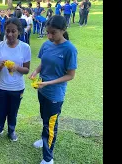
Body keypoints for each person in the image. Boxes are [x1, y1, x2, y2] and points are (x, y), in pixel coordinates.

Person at [29, 15, 78, 164]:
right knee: (45, 118)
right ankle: (44, 140)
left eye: (53, 33)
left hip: (55, 94)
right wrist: (36, 72)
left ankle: (48, 159)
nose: (49, 36)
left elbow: (70, 75)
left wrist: (49, 83)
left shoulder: (70, 49)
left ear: (63, 30)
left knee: (51, 125)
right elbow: (44, 62)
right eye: (48, 32)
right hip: (42, 90)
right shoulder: (46, 45)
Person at [0, 18, 31, 141]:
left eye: (13, 31)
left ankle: (11, 130)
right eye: (7, 31)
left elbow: (26, 70)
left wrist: (16, 67)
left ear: (19, 31)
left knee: (13, 111)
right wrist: (1, 65)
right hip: (0, 86)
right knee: (0, 110)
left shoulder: (25, 48)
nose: (10, 34)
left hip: (17, 87)